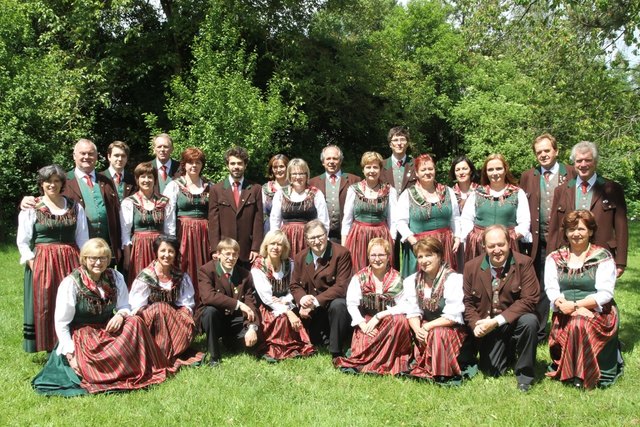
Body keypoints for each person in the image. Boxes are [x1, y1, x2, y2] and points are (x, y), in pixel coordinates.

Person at [32, 238, 176, 396]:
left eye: (103, 258)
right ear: (84, 259)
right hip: (84, 336)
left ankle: (132, 366)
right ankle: (106, 369)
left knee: (135, 321)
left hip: (107, 329)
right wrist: (71, 353)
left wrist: (120, 315)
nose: (98, 263)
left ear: (108, 259)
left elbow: (125, 306)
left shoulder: (115, 277)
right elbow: (62, 323)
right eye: (93, 258)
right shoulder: (71, 283)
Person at [545, 210, 622, 389]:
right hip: (565, 311)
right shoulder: (554, 258)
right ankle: (571, 371)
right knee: (576, 321)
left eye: (581, 229)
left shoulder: (602, 257)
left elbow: (605, 293)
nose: (576, 234)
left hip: (598, 312)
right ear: (565, 232)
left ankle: (583, 374)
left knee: (579, 323)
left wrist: (578, 305)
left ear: (591, 231)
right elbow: (551, 288)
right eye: (571, 229)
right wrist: (561, 303)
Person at [17, 165, 89, 353]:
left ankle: (74, 343)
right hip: (43, 261)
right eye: (48, 181)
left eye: (57, 181)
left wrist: (84, 263)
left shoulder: (75, 207)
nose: (52, 184)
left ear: (62, 183)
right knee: (47, 302)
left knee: (71, 300)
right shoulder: (32, 208)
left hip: (70, 259)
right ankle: (48, 344)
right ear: (42, 183)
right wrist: (32, 262)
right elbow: (23, 241)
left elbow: (82, 238)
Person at [463, 225, 539, 391]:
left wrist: (497, 321)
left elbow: (529, 300)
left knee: (530, 321)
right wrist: (477, 324)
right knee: (493, 371)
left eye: (501, 244)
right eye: (491, 246)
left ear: (509, 243)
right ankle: (509, 353)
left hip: (514, 322)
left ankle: (525, 377)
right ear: (484, 246)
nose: (497, 250)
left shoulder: (524, 263)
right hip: (488, 327)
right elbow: (468, 303)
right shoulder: (471, 267)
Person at [519, 133, 576, 343]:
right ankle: (541, 331)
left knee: (568, 283)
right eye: (539, 152)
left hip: (566, 241)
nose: (543, 155)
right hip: (537, 243)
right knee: (541, 286)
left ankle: (568, 328)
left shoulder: (571, 173)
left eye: (547, 150)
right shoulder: (528, 176)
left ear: (556, 151)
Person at [548, 141, 628, 278]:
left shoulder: (612, 189)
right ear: (574, 163)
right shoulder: (561, 190)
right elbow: (554, 228)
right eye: (579, 160)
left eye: (588, 160)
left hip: (602, 254)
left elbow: (621, 228)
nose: (583, 164)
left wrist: (620, 262)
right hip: (569, 256)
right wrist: (551, 259)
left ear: (595, 162)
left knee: (601, 298)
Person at [334, 238, 412, 375]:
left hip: (389, 322)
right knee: (365, 344)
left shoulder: (397, 279)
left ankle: (390, 361)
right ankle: (374, 361)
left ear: (388, 257)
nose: (377, 259)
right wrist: (362, 324)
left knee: (400, 320)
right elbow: (352, 304)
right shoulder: (359, 277)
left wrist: (380, 315)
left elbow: (405, 305)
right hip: (368, 321)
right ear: (368, 257)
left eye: (381, 255)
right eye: (373, 255)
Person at [404, 238, 476, 383]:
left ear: (439, 256)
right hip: (424, 329)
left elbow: (452, 317)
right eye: (420, 257)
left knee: (438, 332)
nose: (424, 260)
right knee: (402, 323)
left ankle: (442, 371)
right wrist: (418, 330)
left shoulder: (453, 279)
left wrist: (427, 327)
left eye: (429, 255)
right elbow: (412, 311)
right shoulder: (412, 281)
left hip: (450, 329)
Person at [130, 235, 204, 365]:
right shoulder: (146, 276)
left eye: (171, 251)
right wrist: (160, 310)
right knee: (160, 308)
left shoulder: (181, 276)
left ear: (175, 254)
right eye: (163, 251)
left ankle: (171, 350)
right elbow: (136, 306)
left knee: (174, 313)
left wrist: (181, 316)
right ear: (156, 252)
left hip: (173, 320)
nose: (166, 255)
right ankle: (159, 352)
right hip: (150, 322)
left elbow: (187, 304)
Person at [290, 220, 352, 358]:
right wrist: (302, 299)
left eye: (320, 236)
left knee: (339, 304)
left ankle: (336, 351)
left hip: (331, 307)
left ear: (327, 234)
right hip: (310, 311)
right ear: (306, 240)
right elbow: (295, 285)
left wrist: (315, 302)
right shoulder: (300, 257)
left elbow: (342, 287)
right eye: (312, 238)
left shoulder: (341, 254)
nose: (317, 241)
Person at [251, 230, 315, 361]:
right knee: (282, 319)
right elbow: (266, 298)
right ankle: (278, 347)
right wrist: (288, 312)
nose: (275, 247)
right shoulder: (258, 267)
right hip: (267, 306)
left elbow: (294, 287)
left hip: (286, 302)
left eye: (279, 244)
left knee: (299, 314)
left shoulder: (289, 264)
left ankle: (294, 345)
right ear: (266, 246)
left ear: (284, 247)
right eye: (272, 244)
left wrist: (285, 300)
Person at [198, 238, 260, 366]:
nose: (231, 258)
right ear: (218, 254)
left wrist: (252, 327)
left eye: (234, 254)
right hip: (215, 318)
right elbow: (208, 297)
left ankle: (230, 340)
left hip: (234, 319)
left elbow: (250, 303)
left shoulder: (245, 275)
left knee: (251, 344)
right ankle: (214, 357)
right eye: (227, 254)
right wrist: (238, 304)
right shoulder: (206, 270)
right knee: (210, 312)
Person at [397, 154, 460, 277]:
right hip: (420, 246)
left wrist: (457, 237)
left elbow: (455, 217)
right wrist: (414, 242)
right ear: (416, 172)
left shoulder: (448, 191)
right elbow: (400, 222)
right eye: (423, 169)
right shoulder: (408, 194)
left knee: (445, 281)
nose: (427, 172)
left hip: (444, 245)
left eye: (430, 169)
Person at [460, 153, 531, 262]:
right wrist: (475, 238)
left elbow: (525, 221)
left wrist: (511, 237)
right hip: (480, 246)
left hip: (508, 246)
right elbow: (466, 219)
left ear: (505, 170)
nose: (495, 173)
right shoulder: (477, 193)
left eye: (498, 169)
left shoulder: (517, 193)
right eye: (490, 170)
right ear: (486, 172)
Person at [164, 147, 211, 301]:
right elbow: (169, 214)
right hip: (183, 233)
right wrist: (171, 239)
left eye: (198, 162)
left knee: (204, 267)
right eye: (190, 162)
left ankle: (203, 302)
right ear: (184, 164)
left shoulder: (209, 186)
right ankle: (183, 302)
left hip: (204, 234)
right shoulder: (174, 186)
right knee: (183, 265)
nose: (194, 166)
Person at [209, 146, 264, 269]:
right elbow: (213, 223)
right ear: (227, 165)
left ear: (245, 165)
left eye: (240, 163)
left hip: (247, 251)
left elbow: (258, 220)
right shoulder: (216, 190)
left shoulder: (255, 189)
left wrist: (256, 248)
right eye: (232, 163)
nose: (236, 167)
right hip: (224, 250)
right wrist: (215, 249)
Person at [342, 151, 397, 272]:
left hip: (381, 235)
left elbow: (393, 220)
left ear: (381, 169)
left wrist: (391, 241)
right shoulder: (353, 190)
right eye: (368, 167)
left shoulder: (389, 191)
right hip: (358, 235)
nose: (372, 171)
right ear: (363, 170)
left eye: (375, 167)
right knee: (358, 269)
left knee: (381, 270)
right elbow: (347, 219)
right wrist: (344, 245)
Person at [120, 162, 173, 286]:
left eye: (150, 177)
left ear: (155, 180)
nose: (146, 180)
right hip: (139, 247)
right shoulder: (129, 202)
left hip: (159, 246)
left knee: (160, 278)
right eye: (142, 177)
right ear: (137, 180)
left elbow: (169, 230)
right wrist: (127, 257)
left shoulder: (164, 202)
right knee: (141, 280)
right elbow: (125, 233)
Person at [270, 158, 330, 257]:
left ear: (307, 175)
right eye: (294, 174)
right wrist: (275, 241)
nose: (298, 177)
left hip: (309, 238)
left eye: (301, 173)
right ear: (289, 175)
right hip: (286, 239)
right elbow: (275, 220)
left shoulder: (316, 193)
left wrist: (322, 241)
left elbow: (324, 220)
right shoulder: (281, 194)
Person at [380, 126, 417, 267]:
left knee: (412, 256)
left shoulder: (416, 164)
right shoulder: (381, 165)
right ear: (390, 144)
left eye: (402, 139)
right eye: (396, 140)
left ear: (407, 143)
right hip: (388, 218)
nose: (399, 143)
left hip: (410, 218)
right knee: (390, 255)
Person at [308, 145, 360, 242]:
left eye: (335, 158)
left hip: (347, 233)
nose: (331, 162)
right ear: (323, 162)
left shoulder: (354, 180)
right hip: (321, 234)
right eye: (328, 159)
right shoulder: (313, 183)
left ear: (340, 161)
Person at [449, 155, 479, 273]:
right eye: (458, 170)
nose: (461, 172)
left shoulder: (481, 192)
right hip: (455, 239)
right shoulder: (448, 193)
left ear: (471, 170)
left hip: (475, 239)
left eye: (464, 169)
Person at [262, 154, 289, 233]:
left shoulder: (294, 187)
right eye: (275, 167)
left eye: (281, 166)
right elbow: (261, 213)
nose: (278, 170)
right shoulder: (266, 189)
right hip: (269, 229)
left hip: (290, 228)